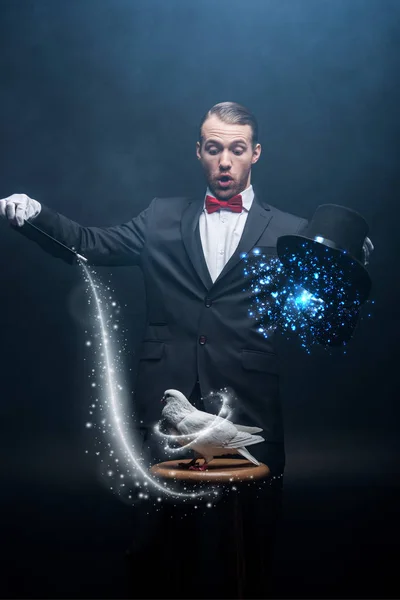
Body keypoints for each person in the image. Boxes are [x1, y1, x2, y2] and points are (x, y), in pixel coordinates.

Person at [0, 102, 372, 597]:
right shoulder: (160, 217)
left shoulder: (291, 232)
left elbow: (327, 315)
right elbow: (90, 244)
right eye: (214, 148)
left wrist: (348, 259)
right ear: (199, 152)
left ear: (255, 154)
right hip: (167, 403)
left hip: (249, 407)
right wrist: (35, 215)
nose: (224, 161)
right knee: (156, 545)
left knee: (250, 548)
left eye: (236, 150)